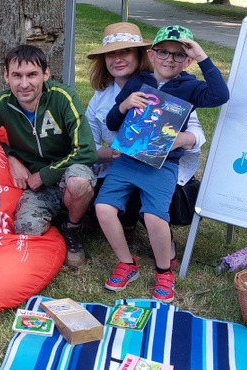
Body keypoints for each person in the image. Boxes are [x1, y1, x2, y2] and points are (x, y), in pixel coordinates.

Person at [98, 25, 229, 302]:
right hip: (129, 159)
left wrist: (203, 57)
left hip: (162, 164)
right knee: (103, 208)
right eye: (163, 53)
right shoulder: (137, 82)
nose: (169, 60)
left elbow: (220, 96)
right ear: (151, 54)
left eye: (179, 55)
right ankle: (126, 263)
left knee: (154, 217)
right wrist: (124, 105)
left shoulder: (191, 87)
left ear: (188, 60)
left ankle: (163, 270)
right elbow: (112, 122)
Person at [86, 22, 207, 263]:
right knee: (105, 201)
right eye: (111, 53)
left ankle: (158, 237)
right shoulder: (100, 98)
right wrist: (109, 153)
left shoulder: (166, 85)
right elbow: (88, 144)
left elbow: (197, 132)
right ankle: (126, 226)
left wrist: (182, 139)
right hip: (117, 167)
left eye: (126, 52)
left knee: (153, 199)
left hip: (159, 166)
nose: (118, 59)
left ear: (142, 55)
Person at [0, 45, 97, 268]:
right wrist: (11, 157)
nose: (24, 84)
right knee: (25, 228)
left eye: (32, 75)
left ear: (46, 73)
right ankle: (62, 215)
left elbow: (86, 151)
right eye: (17, 76)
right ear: (6, 76)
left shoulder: (63, 97)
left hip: (68, 172)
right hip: (38, 187)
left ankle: (73, 227)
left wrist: (44, 175)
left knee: (79, 183)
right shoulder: (2, 104)